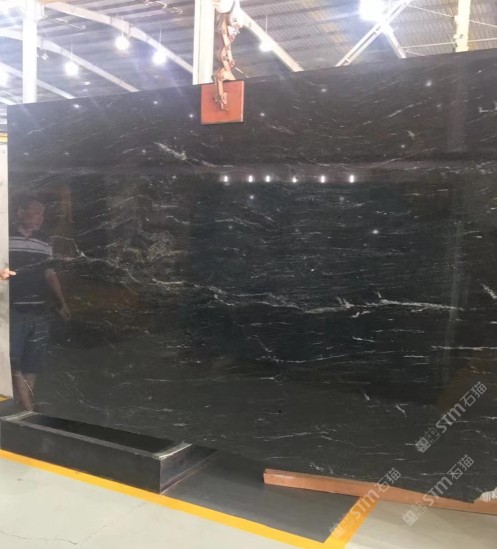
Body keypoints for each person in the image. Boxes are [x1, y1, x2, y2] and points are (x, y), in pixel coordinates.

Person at [9, 196, 70, 410]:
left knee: (33, 361)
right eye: (36, 212)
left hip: (40, 310)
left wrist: (62, 301)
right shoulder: (5, 237)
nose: (40, 218)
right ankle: (27, 407)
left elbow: (49, 274)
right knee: (12, 359)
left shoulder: (44, 241)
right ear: (20, 212)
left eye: (42, 213)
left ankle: (26, 404)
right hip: (13, 310)